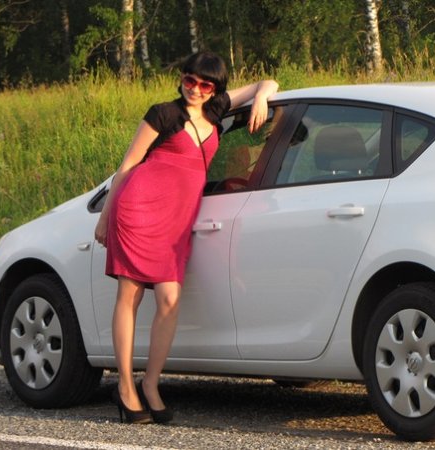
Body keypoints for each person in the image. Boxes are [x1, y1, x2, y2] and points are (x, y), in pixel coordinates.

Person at [94, 51, 278, 424]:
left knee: (169, 300)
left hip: (176, 222)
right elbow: (128, 164)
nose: (195, 89)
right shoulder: (163, 113)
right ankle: (126, 387)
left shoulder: (217, 110)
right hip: (138, 208)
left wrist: (261, 97)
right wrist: (105, 216)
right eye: (189, 80)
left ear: (215, 89)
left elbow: (268, 83)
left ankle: (151, 384)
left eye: (205, 85)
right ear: (181, 78)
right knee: (129, 296)